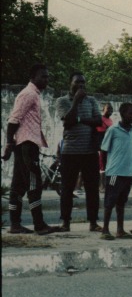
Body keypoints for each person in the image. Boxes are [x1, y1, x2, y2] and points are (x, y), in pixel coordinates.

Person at [5, 63, 55, 234]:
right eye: (43, 76)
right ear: (33, 77)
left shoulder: (33, 94)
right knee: (34, 183)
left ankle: (15, 224)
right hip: (27, 145)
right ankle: (39, 225)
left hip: (24, 144)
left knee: (18, 185)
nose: (46, 79)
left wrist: (11, 145)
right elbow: (13, 120)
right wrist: (8, 145)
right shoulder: (28, 94)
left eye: (47, 76)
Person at [56, 70, 105, 232]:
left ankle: (93, 222)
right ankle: (66, 222)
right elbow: (67, 122)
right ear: (70, 83)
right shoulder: (62, 101)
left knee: (92, 189)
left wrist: (80, 120)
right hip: (70, 152)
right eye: (77, 82)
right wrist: (76, 102)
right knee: (67, 188)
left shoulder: (91, 101)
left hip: (90, 151)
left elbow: (98, 120)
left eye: (83, 82)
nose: (81, 85)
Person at [100, 102, 132, 238]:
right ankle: (105, 229)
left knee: (121, 202)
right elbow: (104, 151)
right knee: (110, 201)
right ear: (123, 114)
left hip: (127, 173)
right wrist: (106, 169)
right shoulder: (113, 130)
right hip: (114, 172)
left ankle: (120, 230)